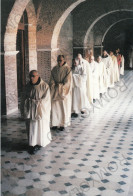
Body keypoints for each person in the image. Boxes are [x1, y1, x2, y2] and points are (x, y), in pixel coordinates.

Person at [21, 70, 51, 154]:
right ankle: (32, 144)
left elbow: (46, 100)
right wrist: (27, 104)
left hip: (39, 112)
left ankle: (40, 143)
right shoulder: (27, 86)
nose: (31, 78)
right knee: (31, 128)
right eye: (30, 76)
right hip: (30, 111)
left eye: (33, 76)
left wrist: (37, 103)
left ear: (38, 76)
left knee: (39, 127)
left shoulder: (45, 86)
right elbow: (23, 98)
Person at [50, 55, 72, 131]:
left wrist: (60, 86)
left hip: (63, 92)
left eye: (60, 60)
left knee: (63, 108)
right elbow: (51, 79)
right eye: (58, 60)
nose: (59, 62)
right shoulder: (54, 69)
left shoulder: (67, 69)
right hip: (55, 91)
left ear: (64, 60)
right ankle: (55, 123)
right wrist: (53, 85)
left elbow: (68, 82)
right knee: (55, 108)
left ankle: (63, 124)